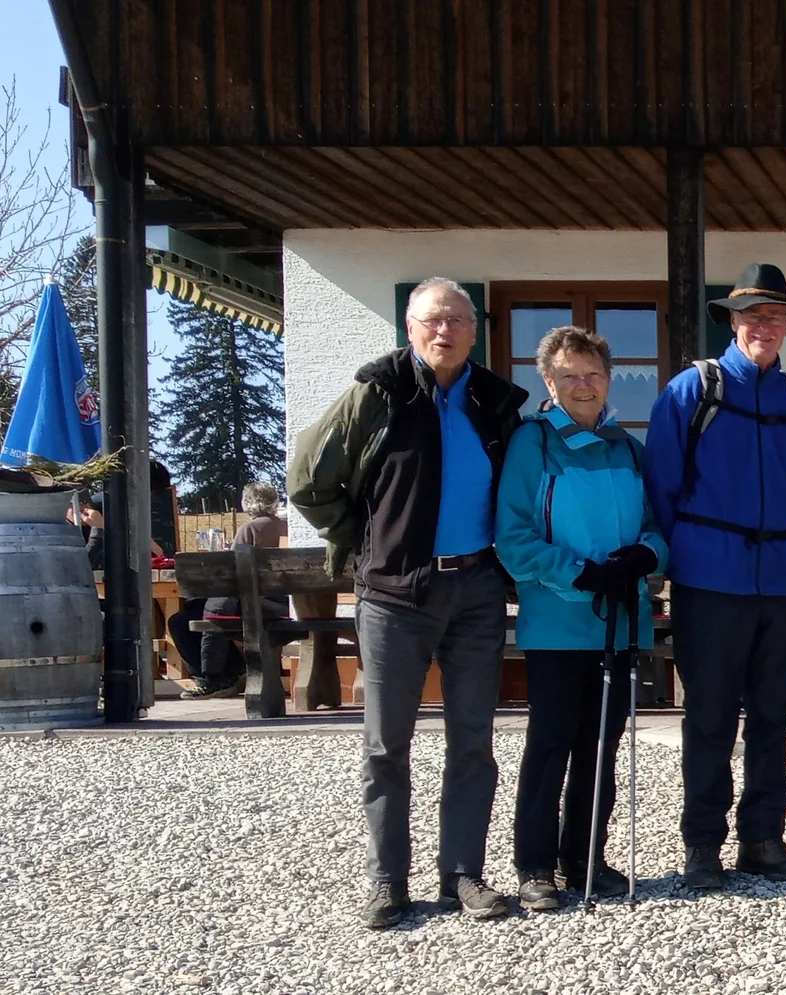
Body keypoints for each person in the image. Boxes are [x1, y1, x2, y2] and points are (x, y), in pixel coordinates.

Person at [289, 277, 527, 929]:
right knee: (384, 745)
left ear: (475, 331)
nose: (443, 330)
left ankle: (462, 874)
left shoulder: (495, 402)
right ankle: (387, 880)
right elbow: (308, 478)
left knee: (472, 741)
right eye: (431, 320)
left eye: (456, 319)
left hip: (477, 588)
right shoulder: (379, 391)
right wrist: (361, 538)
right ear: (410, 326)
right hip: (394, 592)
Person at [642, 263, 786, 892]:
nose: (764, 327)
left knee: (774, 716)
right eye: (753, 316)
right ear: (732, 321)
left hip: (779, 580)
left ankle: (762, 837)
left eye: (775, 317)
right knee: (710, 716)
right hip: (709, 578)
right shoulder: (691, 390)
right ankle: (702, 844)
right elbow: (662, 487)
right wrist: (683, 559)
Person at [495, 326, 669, 910]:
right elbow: (513, 538)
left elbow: (655, 524)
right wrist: (578, 571)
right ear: (548, 382)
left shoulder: (626, 447)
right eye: (568, 375)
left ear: (608, 379)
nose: (582, 385)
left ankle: (585, 857)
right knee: (551, 743)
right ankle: (536, 866)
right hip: (557, 620)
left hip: (619, 621)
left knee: (602, 744)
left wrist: (646, 555)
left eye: (592, 374)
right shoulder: (532, 443)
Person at [170, 481, 290, 699]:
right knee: (204, 610)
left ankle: (212, 678)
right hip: (283, 603)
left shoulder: (250, 529)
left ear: (247, 503)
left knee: (182, 619)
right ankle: (233, 672)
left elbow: (230, 573)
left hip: (256, 603)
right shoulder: (286, 527)